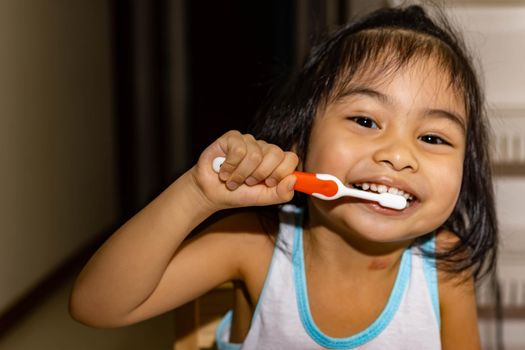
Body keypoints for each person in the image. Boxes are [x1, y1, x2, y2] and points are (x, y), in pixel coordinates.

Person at [69, 4, 498, 349]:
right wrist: (197, 194)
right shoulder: (254, 244)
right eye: (366, 121)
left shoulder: (443, 266)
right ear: (300, 142)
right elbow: (96, 306)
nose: (399, 155)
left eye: (433, 137)